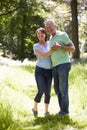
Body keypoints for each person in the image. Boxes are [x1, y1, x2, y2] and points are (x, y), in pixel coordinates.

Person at [44, 19, 75, 116]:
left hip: (63, 64)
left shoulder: (62, 35)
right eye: (47, 27)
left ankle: (64, 111)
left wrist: (60, 47)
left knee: (63, 89)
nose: (49, 28)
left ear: (55, 26)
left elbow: (73, 49)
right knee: (57, 89)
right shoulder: (50, 39)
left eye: (50, 26)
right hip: (55, 67)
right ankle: (62, 110)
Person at [32, 27, 54, 116]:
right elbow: (44, 56)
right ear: (37, 36)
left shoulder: (50, 43)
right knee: (41, 90)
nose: (40, 35)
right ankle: (35, 108)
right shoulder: (36, 46)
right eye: (38, 34)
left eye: (42, 33)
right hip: (40, 71)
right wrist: (53, 49)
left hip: (49, 71)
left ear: (45, 34)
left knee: (48, 92)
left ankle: (46, 111)